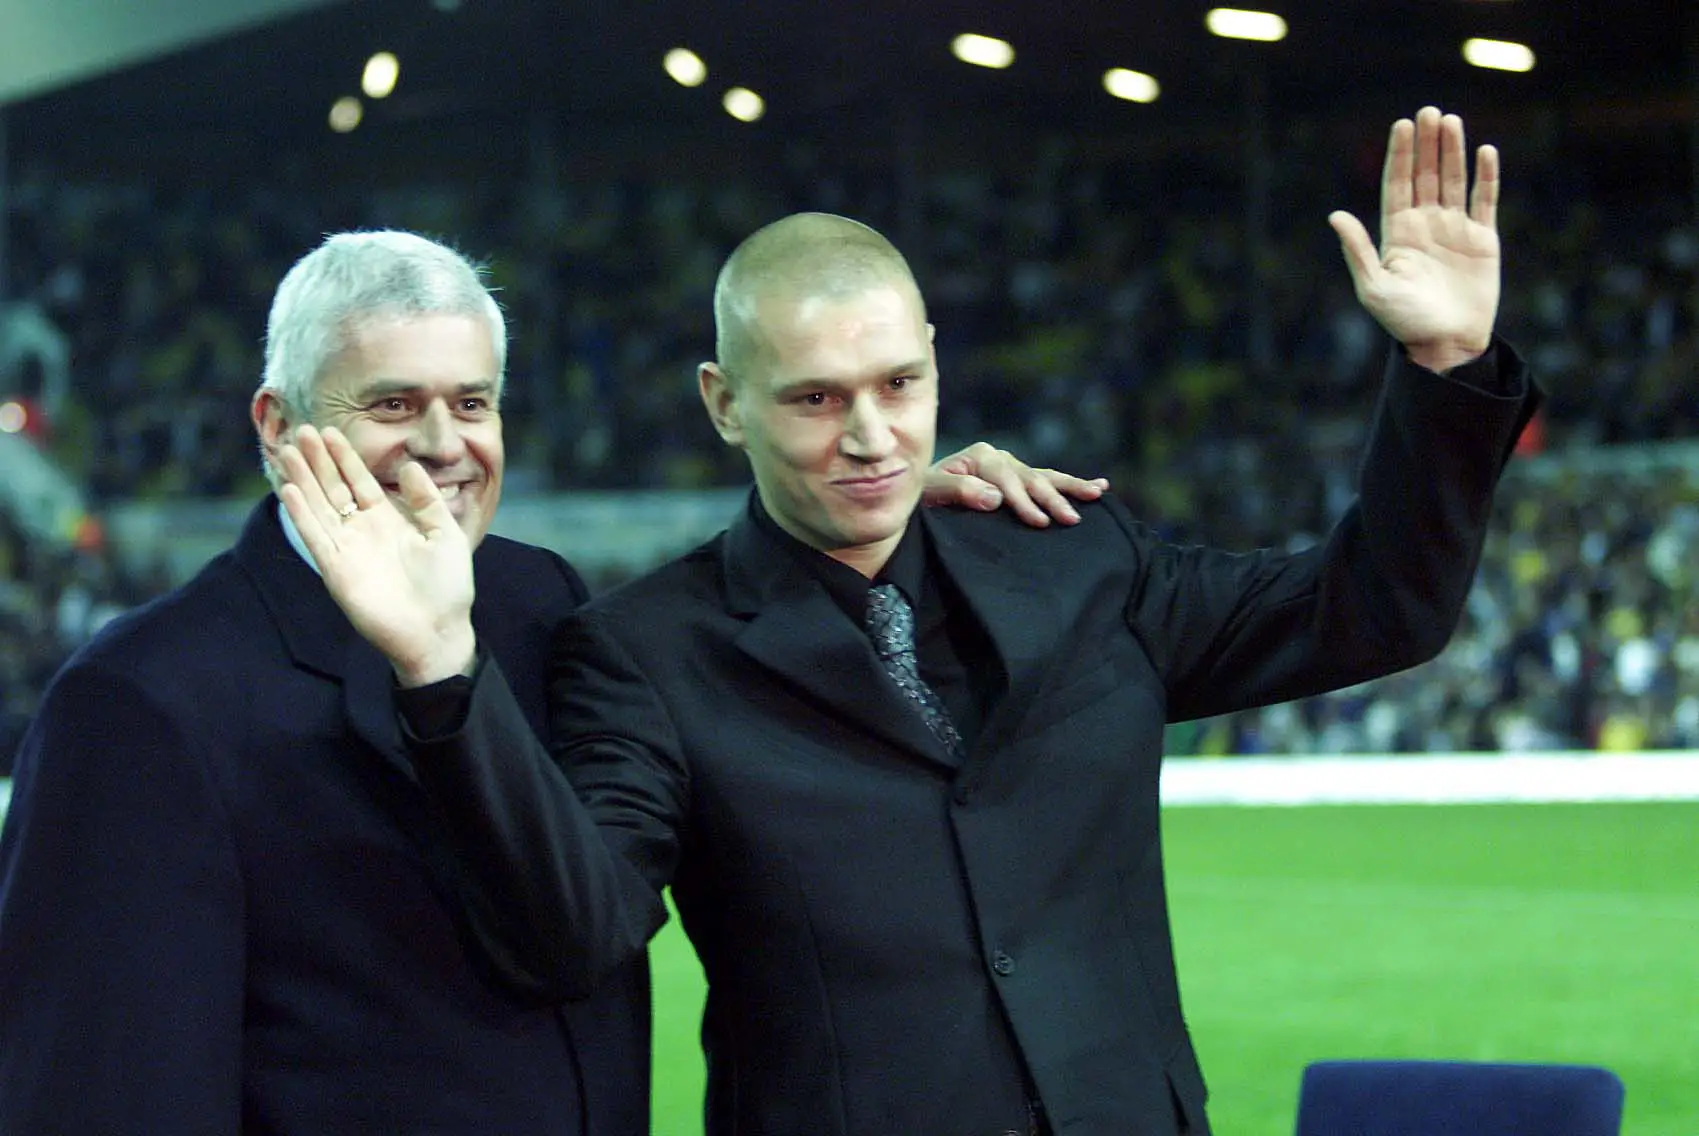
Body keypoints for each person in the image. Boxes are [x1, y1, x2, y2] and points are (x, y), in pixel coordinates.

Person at [280, 108, 1541, 1135]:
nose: (873, 435)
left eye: (899, 383)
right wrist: (440, 667)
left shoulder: (1075, 555)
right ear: (723, 401)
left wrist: (1442, 370)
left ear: (936, 358)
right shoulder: (645, 652)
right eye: (817, 398)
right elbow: (578, 930)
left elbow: (1376, 608)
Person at [0, 230, 1099, 1134]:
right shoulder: (143, 701)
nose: (445, 443)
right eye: (393, 405)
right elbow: (104, 1093)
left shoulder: (538, 602)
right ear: (277, 424)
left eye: (473, 403)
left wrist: (904, 518)